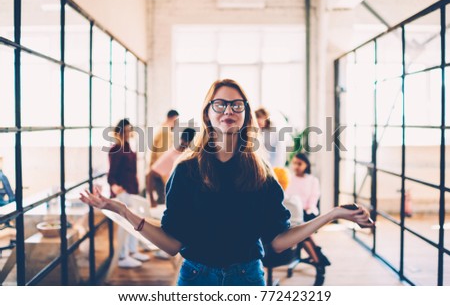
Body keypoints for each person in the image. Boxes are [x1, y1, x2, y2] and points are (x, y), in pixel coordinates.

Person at [81, 79, 372, 286]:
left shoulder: (262, 176)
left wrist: (332, 214)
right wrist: (121, 210)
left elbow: (279, 241)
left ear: (246, 115)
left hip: (248, 280)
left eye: (236, 105)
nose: (228, 110)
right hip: (196, 280)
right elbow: (172, 245)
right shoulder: (186, 172)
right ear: (207, 114)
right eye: (219, 104)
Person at [108, 119, 150, 268]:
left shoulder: (127, 147)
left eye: (129, 130)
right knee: (125, 225)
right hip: (123, 193)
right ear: (118, 132)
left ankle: (132, 251)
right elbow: (111, 174)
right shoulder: (116, 149)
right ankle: (122, 256)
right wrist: (116, 188)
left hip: (131, 191)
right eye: (124, 131)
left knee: (134, 223)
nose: (127, 133)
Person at [147, 128, 196, 207]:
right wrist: (152, 200)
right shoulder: (173, 154)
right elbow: (150, 174)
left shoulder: (189, 155)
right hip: (171, 198)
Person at [147, 110, 179, 205]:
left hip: (156, 171)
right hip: (160, 174)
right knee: (164, 203)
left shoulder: (161, 129)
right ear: (173, 119)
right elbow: (163, 157)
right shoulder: (165, 132)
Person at [285, 152, 320, 222]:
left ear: (306, 165)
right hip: (291, 210)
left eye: (299, 164)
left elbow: (314, 198)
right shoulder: (288, 178)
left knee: (311, 215)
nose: (296, 166)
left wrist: (308, 209)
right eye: (294, 163)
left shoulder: (313, 180)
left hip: (306, 211)